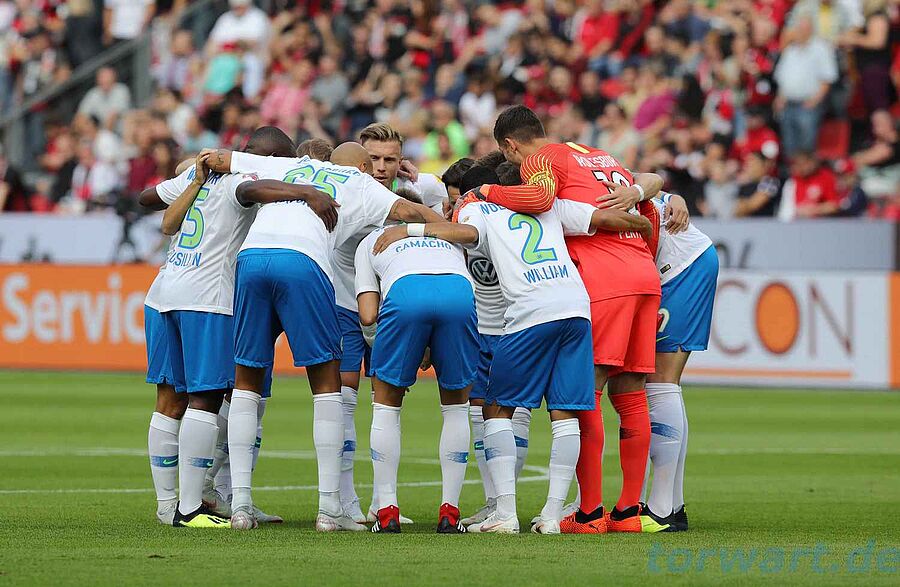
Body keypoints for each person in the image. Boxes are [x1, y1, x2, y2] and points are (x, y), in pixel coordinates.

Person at [372, 164, 654, 534]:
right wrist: (643, 223)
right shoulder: (551, 206)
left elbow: (466, 233)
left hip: (530, 311)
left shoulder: (480, 207)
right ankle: (552, 517)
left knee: (496, 408)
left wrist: (408, 230)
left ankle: (504, 513)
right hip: (576, 309)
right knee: (565, 412)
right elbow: (607, 218)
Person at [200, 141, 445, 531]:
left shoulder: (289, 165)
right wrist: (443, 232)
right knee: (327, 384)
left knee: (247, 380)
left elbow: (219, 158)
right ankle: (329, 509)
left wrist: (201, 164)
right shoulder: (360, 183)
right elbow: (411, 211)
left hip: (252, 257)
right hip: (303, 258)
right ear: (362, 166)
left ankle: (241, 505)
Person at [475, 105, 664, 534]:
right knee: (632, 393)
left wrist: (487, 190)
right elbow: (650, 209)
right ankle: (628, 513)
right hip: (643, 274)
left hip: (604, 278)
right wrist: (639, 197)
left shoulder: (543, 159)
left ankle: (590, 512)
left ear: (510, 146)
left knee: (585, 394)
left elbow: (539, 199)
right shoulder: (598, 156)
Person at [137, 128, 338, 528]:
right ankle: (192, 508)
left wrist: (189, 173)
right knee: (207, 399)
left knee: (170, 401)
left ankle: (170, 505)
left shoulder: (200, 174)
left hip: (163, 292)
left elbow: (146, 198)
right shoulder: (244, 179)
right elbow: (251, 190)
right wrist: (308, 192)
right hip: (209, 298)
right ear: (272, 160)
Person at [354, 193, 478, 534]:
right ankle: (450, 514)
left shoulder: (371, 239)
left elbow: (368, 315)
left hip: (406, 292)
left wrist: (399, 348)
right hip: (459, 294)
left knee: (386, 406)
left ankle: (387, 512)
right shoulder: (446, 234)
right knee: (456, 407)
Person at [640, 191, 717, 532]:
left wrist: (672, 196)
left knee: (660, 381)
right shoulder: (592, 171)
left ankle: (661, 510)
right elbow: (645, 184)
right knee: (660, 383)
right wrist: (673, 196)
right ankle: (672, 504)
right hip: (684, 261)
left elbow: (645, 183)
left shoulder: (569, 180)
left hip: (681, 267)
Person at [773, 17, 838, 157]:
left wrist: (814, 101)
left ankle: (806, 170)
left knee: (806, 147)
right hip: (787, 104)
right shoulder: (791, 50)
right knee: (789, 145)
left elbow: (827, 78)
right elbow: (782, 77)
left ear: (811, 30)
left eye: (804, 29)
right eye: (799, 28)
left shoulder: (821, 49)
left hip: (807, 105)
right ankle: (792, 170)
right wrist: (780, 97)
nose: (800, 32)